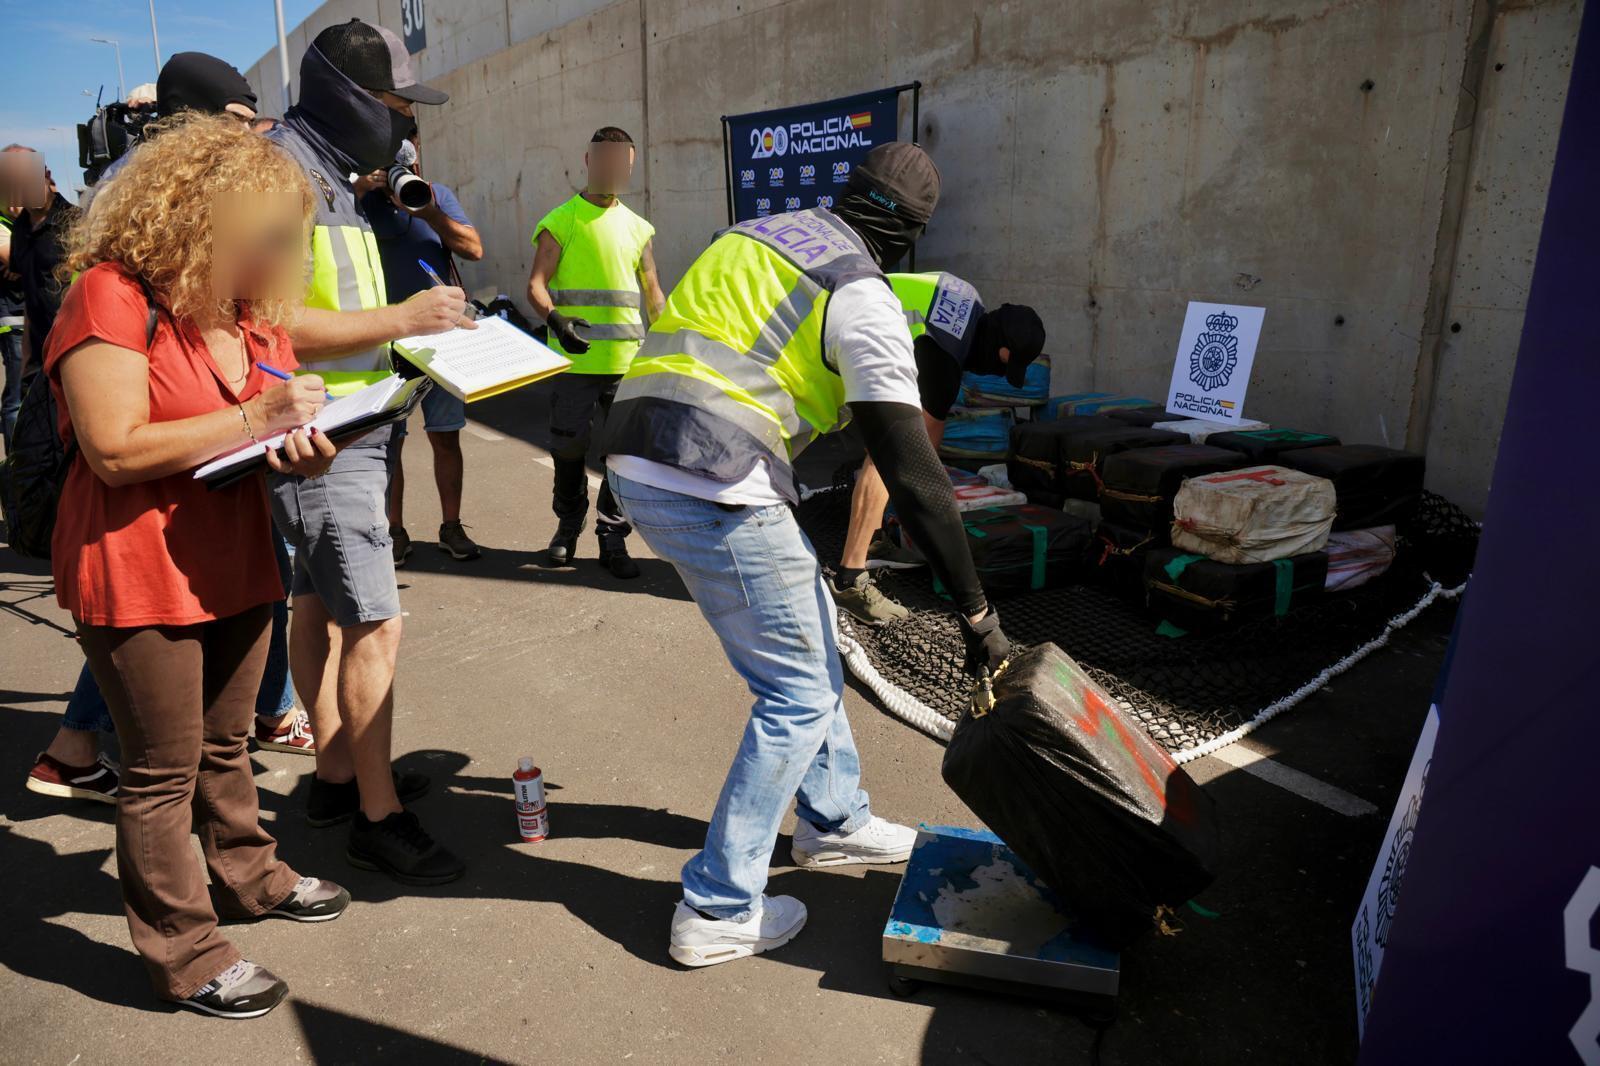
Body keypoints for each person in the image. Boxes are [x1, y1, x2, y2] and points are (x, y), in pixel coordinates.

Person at [601, 143, 1012, 967]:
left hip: (639, 451)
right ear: (913, 235)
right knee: (796, 691)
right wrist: (978, 615)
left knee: (815, 634)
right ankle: (717, 909)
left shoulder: (757, 234)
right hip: (713, 481)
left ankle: (833, 820)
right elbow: (914, 476)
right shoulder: (862, 296)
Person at [46, 113, 350, 1018]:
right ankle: (184, 953)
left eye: (288, 239)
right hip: (134, 565)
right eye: (267, 237)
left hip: (238, 557)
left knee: (226, 744)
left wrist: (308, 450)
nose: (281, 256)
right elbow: (112, 448)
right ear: (200, 221)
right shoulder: (110, 294)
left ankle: (251, 875)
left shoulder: (248, 313)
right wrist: (258, 420)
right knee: (160, 770)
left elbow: (272, 432)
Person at [266, 18, 471, 884]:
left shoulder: (336, 176)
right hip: (323, 438)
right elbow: (263, 322)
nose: (404, 119)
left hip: (358, 420)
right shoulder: (279, 175)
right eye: (395, 102)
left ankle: (337, 777)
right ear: (349, 97)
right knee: (374, 623)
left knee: (318, 604)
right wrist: (402, 319)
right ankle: (377, 820)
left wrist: (425, 327)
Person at [1, 145, 124, 800]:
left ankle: (265, 711)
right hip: (55, 385)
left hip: (69, 382)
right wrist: (29, 378)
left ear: (45, 177)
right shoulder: (25, 232)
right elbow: (38, 307)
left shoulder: (73, 226)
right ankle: (76, 748)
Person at [830, 272, 1046, 624]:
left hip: (841, 307)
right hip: (846, 335)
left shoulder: (967, 299)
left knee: (892, 449)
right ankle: (850, 578)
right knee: (888, 454)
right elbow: (916, 458)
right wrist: (927, 518)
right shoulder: (945, 361)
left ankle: (873, 539)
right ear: (1002, 352)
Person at [526, 126, 665, 579]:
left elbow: (653, 294)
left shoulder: (639, 228)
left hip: (627, 364)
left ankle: (612, 536)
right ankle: (569, 524)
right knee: (568, 450)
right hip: (574, 364)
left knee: (625, 457)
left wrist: (671, 343)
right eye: (605, 161)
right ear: (589, 161)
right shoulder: (562, 220)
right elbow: (536, 286)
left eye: (623, 164)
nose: (614, 170)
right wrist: (555, 320)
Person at [359, 130, 485, 564]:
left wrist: (429, 211)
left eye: (408, 164)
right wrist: (361, 190)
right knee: (388, 441)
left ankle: (452, 526)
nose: (402, 173)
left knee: (446, 436)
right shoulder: (358, 201)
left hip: (440, 341)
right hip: (386, 339)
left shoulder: (437, 196)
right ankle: (393, 530)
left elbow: (473, 249)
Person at [0, 206, 23, 446]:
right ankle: (15, 459)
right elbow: (15, 261)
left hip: (33, 315)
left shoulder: (23, 226)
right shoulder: (2, 225)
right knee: (16, 401)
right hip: (13, 320)